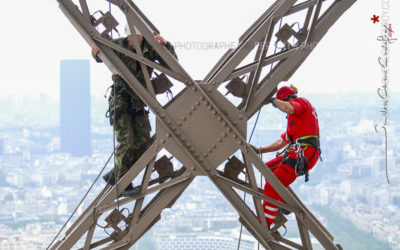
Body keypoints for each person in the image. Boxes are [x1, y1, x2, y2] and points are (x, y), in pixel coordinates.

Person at [92, 25, 178, 196]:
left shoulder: (150, 49)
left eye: (136, 37)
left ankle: (115, 175)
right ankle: (123, 183)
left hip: (138, 103)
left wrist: (165, 44)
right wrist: (95, 53)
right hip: (122, 102)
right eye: (130, 36)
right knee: (127, 141)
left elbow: (172, 63)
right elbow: (100, 54)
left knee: (144, 144)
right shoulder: (119, 45)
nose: (132, 40)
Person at [252, 85, 320, 227]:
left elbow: (288, 107)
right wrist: (260, 150)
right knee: (267, 169)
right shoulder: (295, 119)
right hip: (299, 152)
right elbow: (283, 141)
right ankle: (281, 201)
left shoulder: (302, 103)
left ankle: (265, 223)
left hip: (303, 152)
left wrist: (273, 100)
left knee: (272, 185)